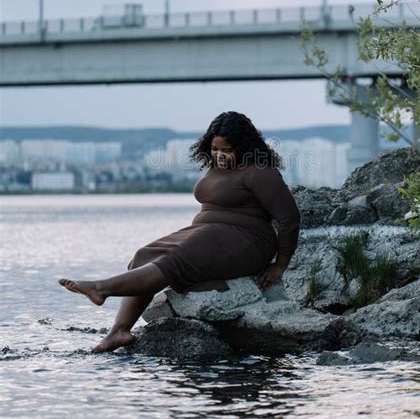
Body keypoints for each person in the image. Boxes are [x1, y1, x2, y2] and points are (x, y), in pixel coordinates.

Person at [58, 111, 301, 352]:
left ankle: (101, 288)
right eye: (215, 149)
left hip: (248, 241)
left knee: (175, 260)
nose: (219, 155)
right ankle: (119, 331)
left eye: (226, 150)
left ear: (244, 146)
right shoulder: (217, 167)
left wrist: (280, 264)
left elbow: (289, 218)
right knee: (144, 255)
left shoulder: (260, 172)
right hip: (209, 233)